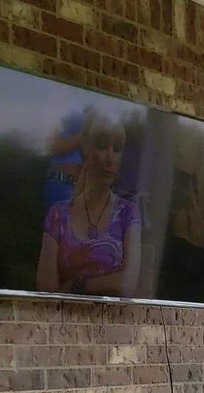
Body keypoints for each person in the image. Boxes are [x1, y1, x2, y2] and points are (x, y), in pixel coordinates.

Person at [36, 115, 142, 298]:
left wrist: (75, 286)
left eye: (117, 149)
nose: (110, 158)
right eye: (102, 146)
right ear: (86, 150)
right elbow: (45, 290)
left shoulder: (128, 213)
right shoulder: (57, 215)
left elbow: (127, 284)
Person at [42, 106, 96, 212]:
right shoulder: (60, 114)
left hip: (76, 188)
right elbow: (53, 148)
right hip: (58, 184)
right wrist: (84, 134)